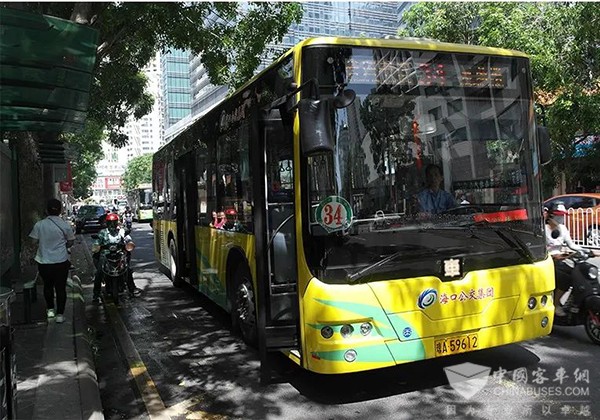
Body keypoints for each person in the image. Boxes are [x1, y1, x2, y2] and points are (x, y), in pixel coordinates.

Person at [29, 198, 75, 323]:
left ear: (46, 210)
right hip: (61, 261)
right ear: (60, 210)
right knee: (60, 288)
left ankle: (50, 310)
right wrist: (63, 246)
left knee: (47, 286)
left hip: (44, 261)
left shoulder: (39, 225)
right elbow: (71, 241)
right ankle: (60, 315)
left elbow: (33, 241)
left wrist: (43, 243)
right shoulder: (65, 225)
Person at [545, 202, 587, 316]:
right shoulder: (543, 229)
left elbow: (571, 244)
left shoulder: (563, 228)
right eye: (558, 215)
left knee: (578, 274)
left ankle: (573, 303)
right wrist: (552, 256)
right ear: (551, 215)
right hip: (547, 261)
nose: (561, 218)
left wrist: (585, 250)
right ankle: (555, 306)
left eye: (562, 215)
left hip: (561, 259)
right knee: (565, 278)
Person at [92, 212, 139, 302]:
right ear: (107, 223)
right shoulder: (103, 232)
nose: (112, 225)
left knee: (127, 270)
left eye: (114, 222)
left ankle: (132, 289)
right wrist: (96, 246)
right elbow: (97, 242)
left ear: (117, 222)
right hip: (105, 254)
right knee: (99, 273)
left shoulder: (121, 231)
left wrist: (129, 243)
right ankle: (96, 294)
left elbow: (128, 239)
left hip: (119, 254)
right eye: (110, 223)